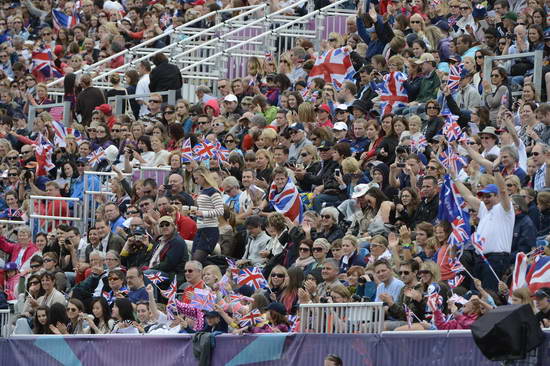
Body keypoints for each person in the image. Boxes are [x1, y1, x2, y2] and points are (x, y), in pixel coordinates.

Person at [452, 168, 514, 292]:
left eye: (488, 196)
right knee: (477, 293)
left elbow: (502, 190)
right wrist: (455, 178)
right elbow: (467, 195)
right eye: (483, 196)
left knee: (489, 293)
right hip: (480, 258)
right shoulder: (484, 209)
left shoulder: (505, 209)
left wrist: (496, 171)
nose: (485, 199)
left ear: (497, 196)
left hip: (497, 258)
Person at [191, 166, 224, 263]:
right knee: (194, 260)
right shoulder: (202, 191)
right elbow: (205, 208)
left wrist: (203, 213)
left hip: (210, 230)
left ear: (203, 176)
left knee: (197, 260)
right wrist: (197, 212)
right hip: (201, 228)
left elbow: (220, 211)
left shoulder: (213, 191)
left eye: (197, 178)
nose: (196, 181)